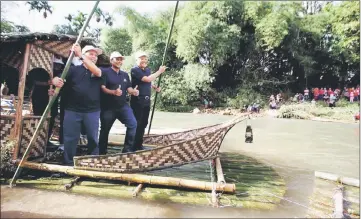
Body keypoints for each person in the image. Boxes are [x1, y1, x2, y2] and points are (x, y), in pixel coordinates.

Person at [52, 44, 103, 165]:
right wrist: (55, 81)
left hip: (92, 111)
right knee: (70, 138)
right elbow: (57, 78)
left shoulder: (99, 71)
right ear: (84, 56)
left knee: (93, 138)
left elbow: (97, 72)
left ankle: (93, 161)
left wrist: (80, 55)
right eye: (91, 54)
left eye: (96, 55)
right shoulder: (73, 70)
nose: (94, 57)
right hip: (72, 110)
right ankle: (69, 162)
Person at [98, 51, 139, 154]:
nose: (120, 61)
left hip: (123, 106)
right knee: (105, 130)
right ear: (111, 60)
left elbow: (128, 88)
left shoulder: (125, 74)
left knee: (133, 124)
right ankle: (101, 152)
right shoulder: (105, 72)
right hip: (108, 107)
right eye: (117, 59)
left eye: (121, 59)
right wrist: (113, 92)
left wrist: (133, 92)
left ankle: (127, 150)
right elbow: (102, 88)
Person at [130, 51, 166, 151]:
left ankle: (139, 144)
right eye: (141, 58)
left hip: (147, 99)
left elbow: (149, 82)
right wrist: (159, 72)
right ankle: (132, 146)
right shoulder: (135, 70)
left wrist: (155, 87)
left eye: (145, 58)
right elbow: (146, 79)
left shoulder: (147, 70)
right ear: (137, 60)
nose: (144, 60)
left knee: (144, 123)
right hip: (137, 100)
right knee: (137, 123)